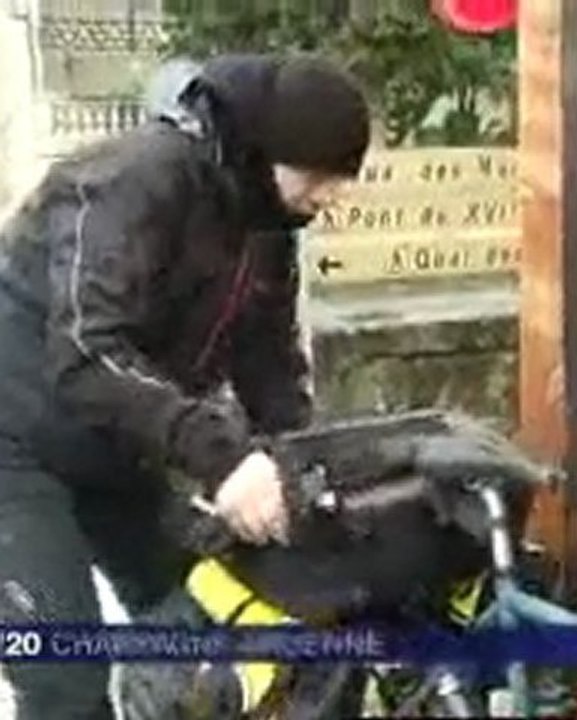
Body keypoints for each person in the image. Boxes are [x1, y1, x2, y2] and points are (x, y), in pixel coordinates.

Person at [0, 53, 371, 719]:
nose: (329, 198)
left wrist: (304, 471)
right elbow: (86, 350)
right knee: (64, 680)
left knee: (216, 620)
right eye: (319, 177)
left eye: (340, 182)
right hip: (14, 440)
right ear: (267, 151)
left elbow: (270, 371)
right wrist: (224, 460)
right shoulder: (135, 181)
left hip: (119, 444)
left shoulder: (267, 227)